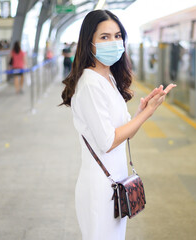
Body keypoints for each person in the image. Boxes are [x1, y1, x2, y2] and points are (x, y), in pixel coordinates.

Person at [60, 10, 175, 240]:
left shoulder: (108, 77)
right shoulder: (91, 83)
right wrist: (148, 114)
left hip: (115, 183)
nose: (113, 42)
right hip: (100, 188)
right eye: (104, 37)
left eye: (117, 35)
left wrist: (141, 112)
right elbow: (108, 141)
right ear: (89, 42)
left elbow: (122, 132)